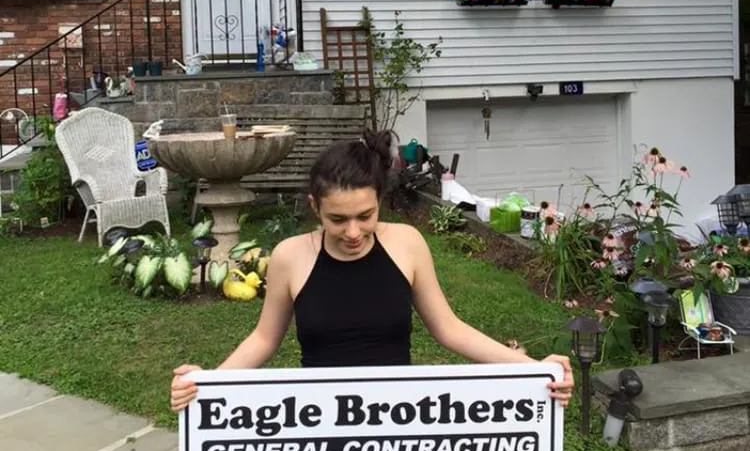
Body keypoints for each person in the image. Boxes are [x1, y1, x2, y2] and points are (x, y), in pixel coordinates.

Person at [170, 130, 574, 411]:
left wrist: (534, 368)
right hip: (316, 418)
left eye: (366, 216)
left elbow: (449, 329)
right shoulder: (290, 257)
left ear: (380, 199)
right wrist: (207, 383)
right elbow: (264, 339)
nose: (353, 232)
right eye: (337, 219)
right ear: (315, 207)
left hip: (395, 417)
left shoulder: (406, 244)